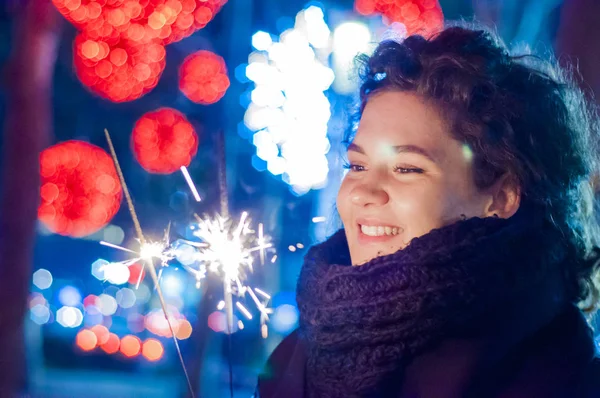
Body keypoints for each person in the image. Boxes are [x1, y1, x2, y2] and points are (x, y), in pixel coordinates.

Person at [256, 25, 600, 398]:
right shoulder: (298, 354)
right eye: (357, 166)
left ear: (502, 196)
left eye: (407, 169)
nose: (364, 193)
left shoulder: (556, 375)